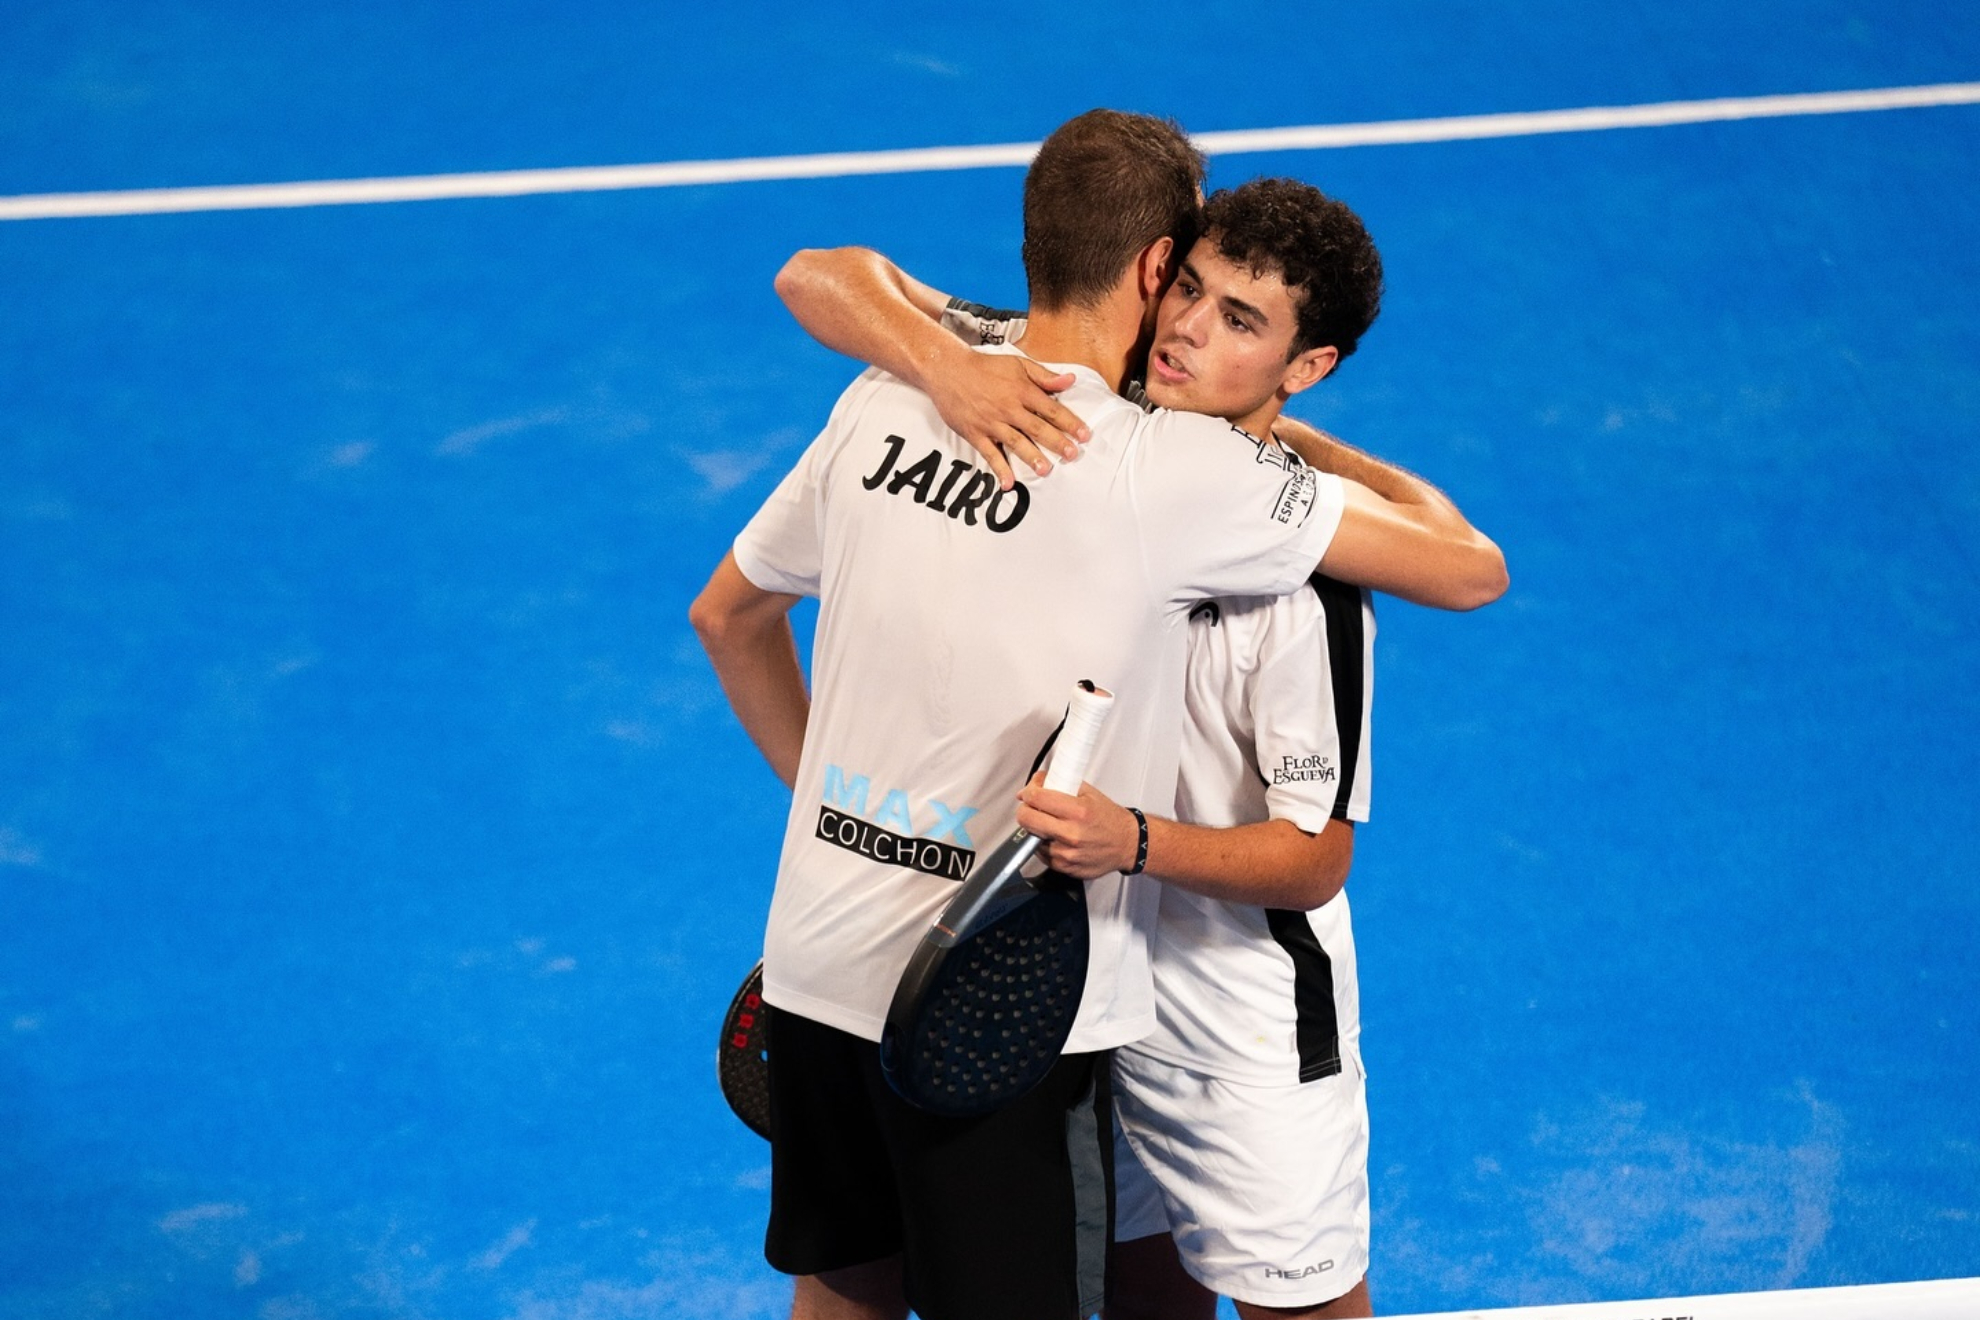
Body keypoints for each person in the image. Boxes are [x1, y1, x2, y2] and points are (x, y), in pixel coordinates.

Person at [690, 109, 1505, 1320]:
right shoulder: (1160, 466)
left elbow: (815, 288)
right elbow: (1469, 567)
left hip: (908, 962)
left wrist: (940, 362)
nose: (1186, 328)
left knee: (854, 1281)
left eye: (1242, 321)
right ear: (1152, 268)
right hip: (1021, 996)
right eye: (1193, 290)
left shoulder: (895, 394)